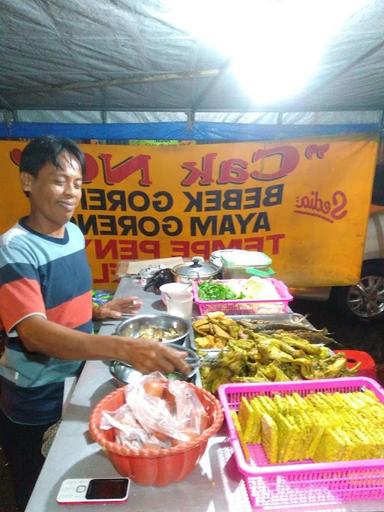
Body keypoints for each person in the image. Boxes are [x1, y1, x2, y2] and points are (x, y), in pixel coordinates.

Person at [0, 135, 190, 510]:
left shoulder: (72, 232)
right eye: (58, 180)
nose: (71, 193)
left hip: (76, 377)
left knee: (75, 481)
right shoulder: (14, 248)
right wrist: (126, 347)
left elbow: (60, 296)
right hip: (37, 395)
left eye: (78, 183)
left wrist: (97, 312)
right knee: (39, 491)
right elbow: (34, 333)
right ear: (27, 181)